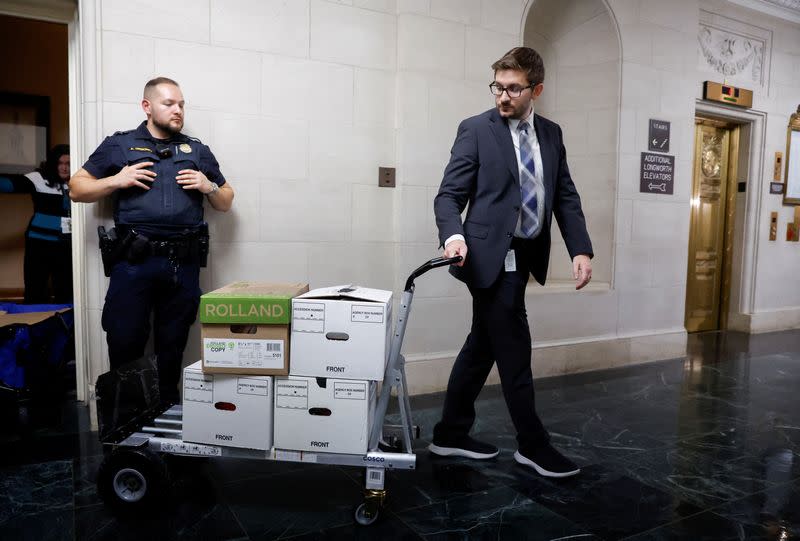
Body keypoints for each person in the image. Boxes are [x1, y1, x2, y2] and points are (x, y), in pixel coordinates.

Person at [430, 47, 593, 478]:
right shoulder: (476, 129)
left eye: (513, 88)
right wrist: (453, 235)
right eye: (498, 87)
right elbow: (449, 195)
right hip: (484, 256)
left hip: (524, 255)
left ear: (536, 89)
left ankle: (449, 433)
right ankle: (532, 445)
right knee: (514, 344)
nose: (502, 96)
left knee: (482, 344)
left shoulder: (553, 134)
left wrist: (580, 249)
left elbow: (564, 195)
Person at [69, 77, 234, 404]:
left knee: (173, 345)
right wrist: (117, 179)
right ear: (147, 106)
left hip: (182, 264)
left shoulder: (196, 150)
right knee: (125, 341)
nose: (178, 110)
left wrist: (208, 186)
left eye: (181, 104)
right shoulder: (121, 145)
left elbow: (227, 200)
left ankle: (166, 412)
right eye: (169, 103)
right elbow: (77, 188)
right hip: (134, 263)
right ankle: (125, 423)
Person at [0, 144, 73, 304]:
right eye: (60, 163)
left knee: (66, 289)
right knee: (35, 289)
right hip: (39, 243)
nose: (65, 168)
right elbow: (9, 185)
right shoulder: (39, 178)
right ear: (53, 164)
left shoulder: (81, 182)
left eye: (68, 163)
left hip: (67, 244)